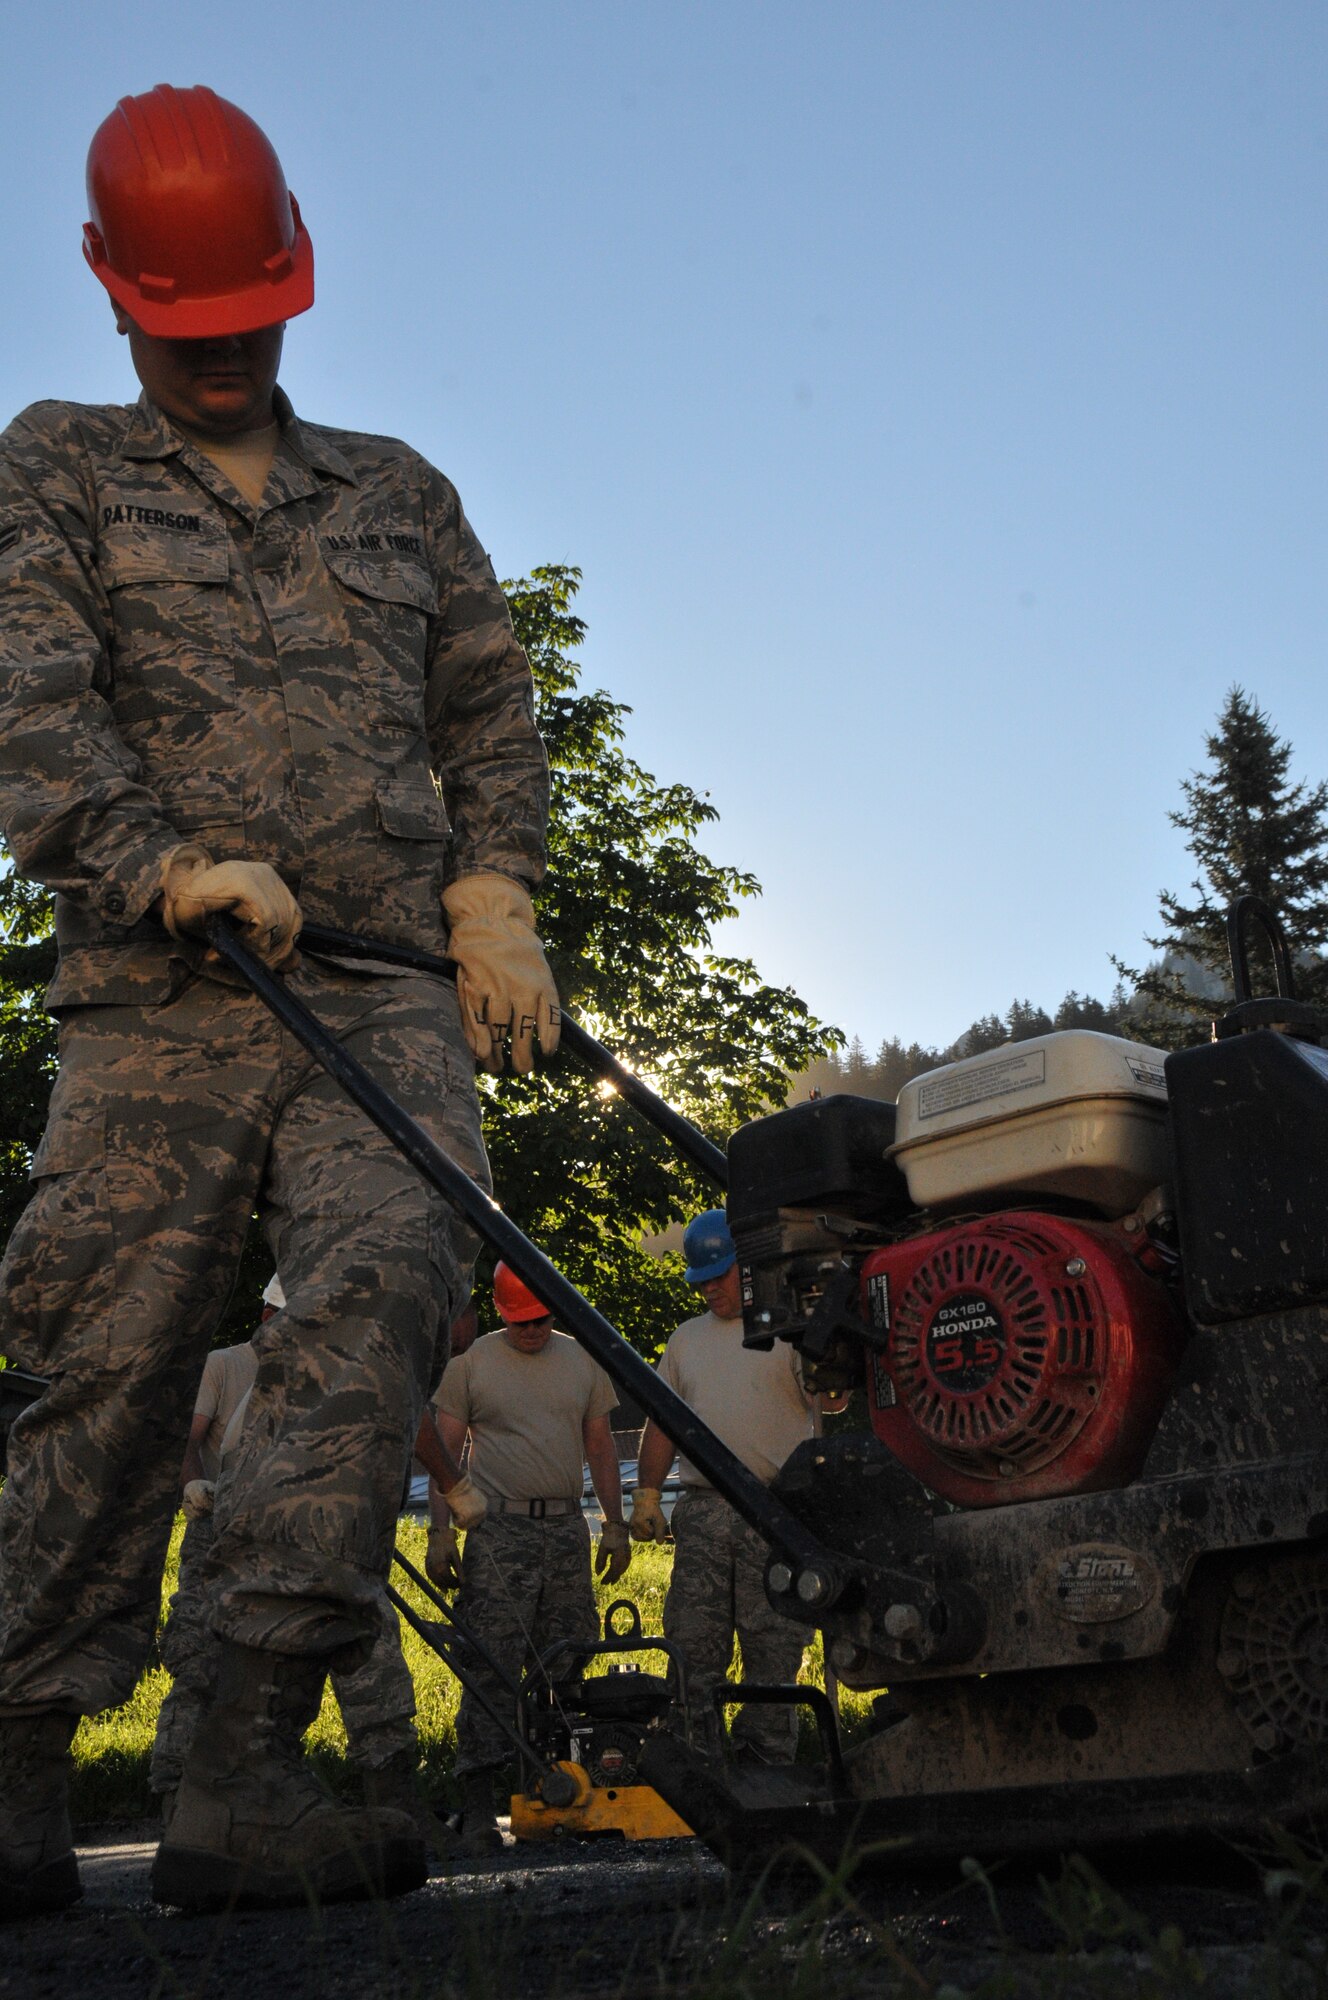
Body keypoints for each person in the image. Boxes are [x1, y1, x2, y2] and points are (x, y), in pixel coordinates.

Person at [0, 85, 556, 1919]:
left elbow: (488, 709)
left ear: (295, 273)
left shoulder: (397, 492)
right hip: (158, 991)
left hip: (387, 990)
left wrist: (496, 891)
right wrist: (161, 862)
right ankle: (14, 1758)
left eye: (250, 311)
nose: (223, 349)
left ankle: (238, 1764)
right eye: (185, 321)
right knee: (110, 1360)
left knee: (391, 1289)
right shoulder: (57, 465)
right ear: (107, 285)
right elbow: (32, 707)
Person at [428, 1262, 631, 1854]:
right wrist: (441, 1535)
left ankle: (552, 1793)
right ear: (500, 1311)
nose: (532, 1331)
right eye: (520, 1322)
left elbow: (600, 1444)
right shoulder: (470, 1365)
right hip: (498, 1532)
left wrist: (614, 1526)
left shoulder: (582, 1361)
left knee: (566, 1661)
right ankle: (477, 1807)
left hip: (566, 1528)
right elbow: (444, 1447)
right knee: (491, 1664)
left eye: (541, 1320)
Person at [629, 1210, 842, 1766]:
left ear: (746, 1270)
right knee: (693, 1646)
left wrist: (832, 1359)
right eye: (700, 1282)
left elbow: (834, 1399)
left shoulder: (786, 1329)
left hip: (775, 1513)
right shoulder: (685, 1341)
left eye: (718, 1278)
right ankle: (696, 1764)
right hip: (702, 1514)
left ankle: (767, 1763)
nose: (709, 1291)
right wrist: (646, 1494)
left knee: (772, 1645)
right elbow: (662, 1422)